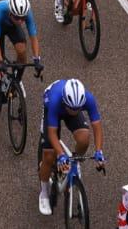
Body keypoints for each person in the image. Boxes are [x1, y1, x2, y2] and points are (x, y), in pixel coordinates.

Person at [38, 77, 105, 216]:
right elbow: (52, 133)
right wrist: (61, 155)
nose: (75, 112)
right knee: (49, 155)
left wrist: (99, 151)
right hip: (53, 107)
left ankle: (75, 161)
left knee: (84, 138)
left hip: (70, 104)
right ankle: (43, 193)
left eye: (78, 109)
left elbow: (97, 127)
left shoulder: (87, 99)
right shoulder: (55, 101)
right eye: (73, 109)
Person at [0, 0, 44, 112]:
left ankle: (18, 79)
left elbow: (33, 37)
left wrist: (37, 59)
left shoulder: (25, 14)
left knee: (22, 50)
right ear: (10, 13)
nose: (21, 21)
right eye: (17, 17)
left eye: (23, 18)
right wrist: (1, 61)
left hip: (11, 26)